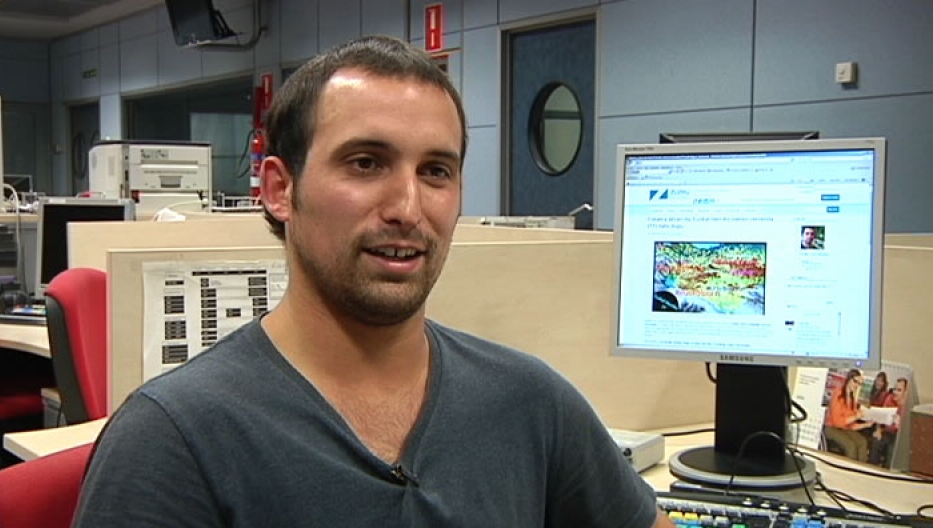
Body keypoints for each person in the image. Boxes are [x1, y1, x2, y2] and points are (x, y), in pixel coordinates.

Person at [72, 35, 671, 528]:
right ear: (280, 190)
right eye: (366, 163)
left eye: (436, 171)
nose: (408, 207)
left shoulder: (530, 403)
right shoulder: (176, 441)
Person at [823, 369, 873, 462]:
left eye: (859, 384)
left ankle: (861, 471)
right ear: (849, 379)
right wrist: (855, 417)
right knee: (851, 446)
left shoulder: (852, 398)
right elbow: (837, 422)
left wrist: (865, 425)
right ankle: (850, 471)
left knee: (862, 442)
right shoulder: (838, 394)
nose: (857, 385)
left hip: (844, 428)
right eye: (855, 381)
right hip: (831, 428)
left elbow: (851, 425)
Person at [868, 377, 909, 466]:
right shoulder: (889, 398)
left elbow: (906, 433)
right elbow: (880, 416)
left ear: (905, 393)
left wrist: (898, 424)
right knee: (876, 442)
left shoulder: (907, 407)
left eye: (899, 390)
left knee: (892, 449)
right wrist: (878, 430)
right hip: (886, 431)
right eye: (894, 389)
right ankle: (871, 469)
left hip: (898, 436)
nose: (895, 392)